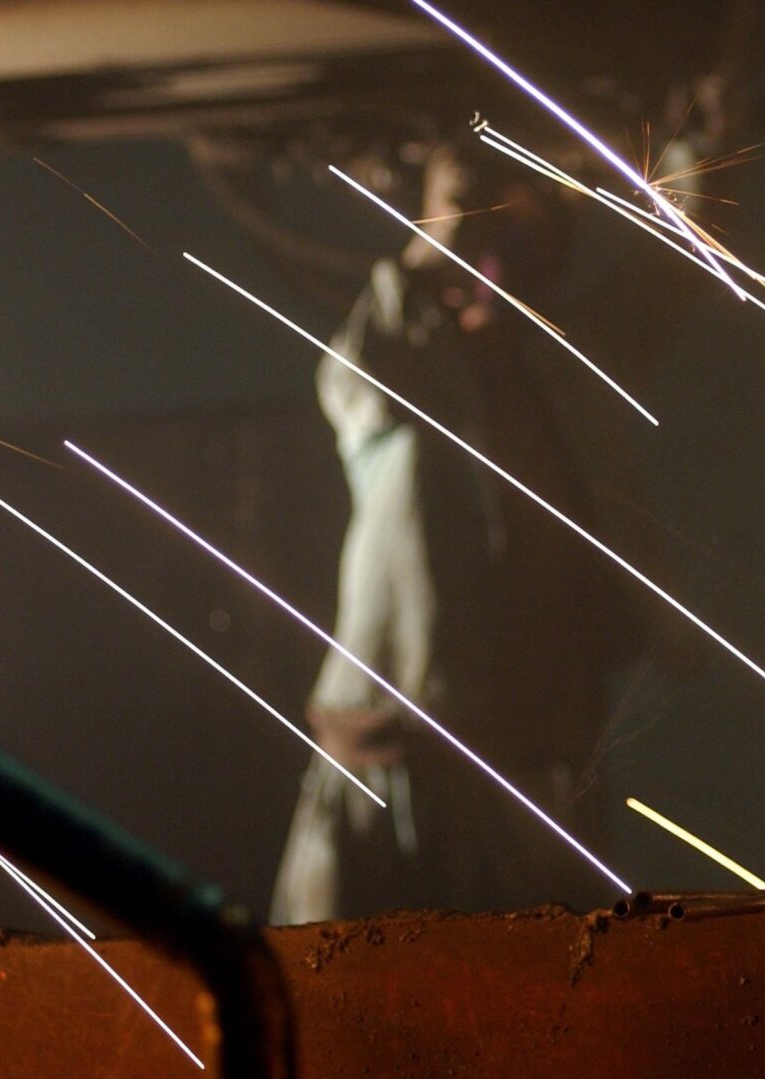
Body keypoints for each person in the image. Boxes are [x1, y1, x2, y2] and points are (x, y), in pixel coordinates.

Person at [271, 145, 630, 923]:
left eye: (521, 251)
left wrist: (692, 144)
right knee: (339, 1008)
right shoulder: (389, 395)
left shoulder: (558, 393)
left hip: (531, 776)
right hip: (388, 767)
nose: (497, 274)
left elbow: (666, 287)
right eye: (483, 249)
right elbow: (371, 350)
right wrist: (447, 217)